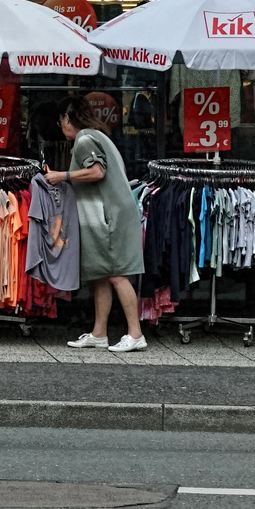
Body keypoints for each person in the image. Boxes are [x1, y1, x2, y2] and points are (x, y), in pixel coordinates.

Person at [45, 95, 148, 352]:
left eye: (61, 122)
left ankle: (136, 334)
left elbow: (96, 171)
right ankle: (99, 333)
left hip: (108, 217)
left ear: (67, 118)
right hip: (109, 215)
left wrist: (62, 176)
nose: (62, 128)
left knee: (116, 274)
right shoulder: (98, 136)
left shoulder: (84, 140)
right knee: (102, 275)